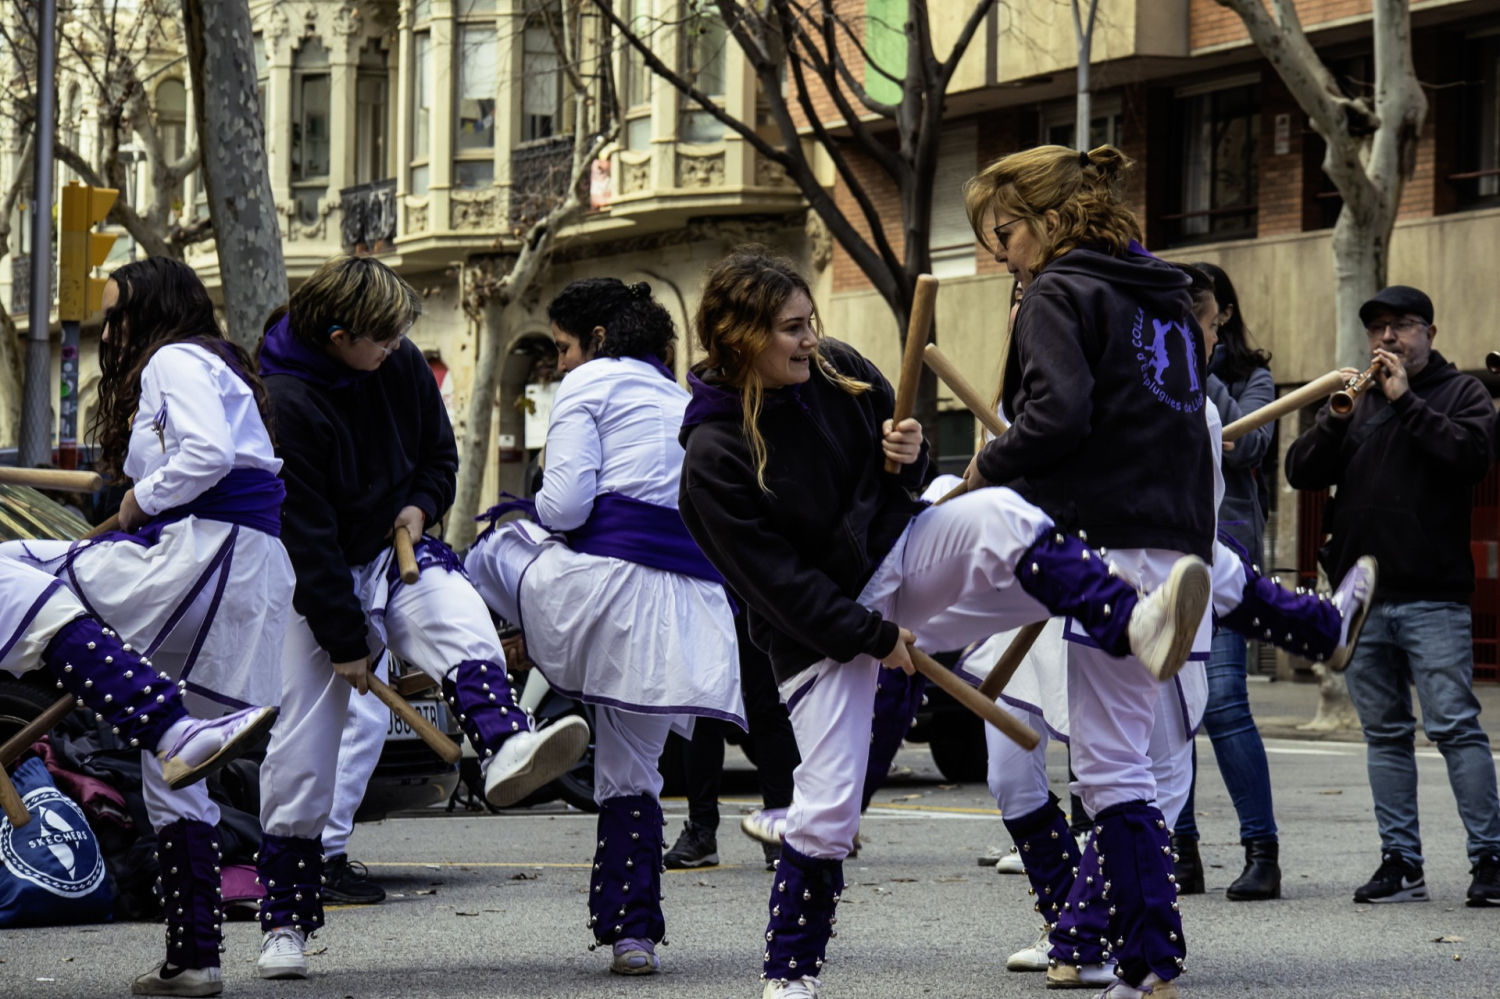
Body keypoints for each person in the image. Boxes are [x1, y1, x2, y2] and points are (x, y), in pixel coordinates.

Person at [677, 246, 1211, 999]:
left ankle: (1132, 621)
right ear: (739, 337)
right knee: (828, 808)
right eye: (790, 329)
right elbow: (778, 587)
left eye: (809, 322)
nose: (808, 339)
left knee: (996, 511)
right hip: (818, 634)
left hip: (898, 560)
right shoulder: (710, 456)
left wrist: (905, 446)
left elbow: (885, 468)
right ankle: (789, 976)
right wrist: (874, 639)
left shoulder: (835, 368)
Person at [252, 255, 589, 980]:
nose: (396, 350)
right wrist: (345, 641)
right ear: (339, 335)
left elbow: (440, 454)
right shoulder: (283, 400)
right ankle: (283, 921)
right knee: (303, 753)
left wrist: (421, 505)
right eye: (381, 339)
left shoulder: (395, 361)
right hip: (319, 573)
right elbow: (303, 533)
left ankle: (505, 744)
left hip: (394, 545)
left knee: (461, 616)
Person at [0, 256, 292, 997]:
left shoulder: (175, 359)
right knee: (172, 781)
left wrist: (141, 501)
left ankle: (166, 723)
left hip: (202, 552)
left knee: (15, 568)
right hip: (236, 565)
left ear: (153, 309)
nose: (111, 329)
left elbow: (207, 455)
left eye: (118, 312)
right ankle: (194, 959)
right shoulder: (213, 365)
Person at [464, 277, 744, 976]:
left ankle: (489, 689)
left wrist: (524, 516)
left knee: (490, 544)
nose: (557, 363)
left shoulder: (588, 388)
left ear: (594, 341)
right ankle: (633, 933)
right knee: (634, 771)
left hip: (607, 599)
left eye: (561, 347)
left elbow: (562, 507)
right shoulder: (683, 399)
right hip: (688, 612)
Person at [1286, 284, 1500, 907]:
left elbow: (1472, 457)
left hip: (1433, 596)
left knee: (1455, 728)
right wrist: (1336, 415)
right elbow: (1301, 471)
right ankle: (1401, 862)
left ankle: (1489, 859)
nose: (1387, 338)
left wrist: (1407, 401)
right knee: (1383, 735)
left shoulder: (1460, 392)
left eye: (1402, 325)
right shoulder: (1356, 400)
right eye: (1378, 326)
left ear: (1429, 333)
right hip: (1361, 603)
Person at [1170, 260, 1280, 899]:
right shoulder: (1149, 372)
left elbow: (1249, 446)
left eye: (1201, 316)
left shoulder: (1248, 375)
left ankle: (1261, 849)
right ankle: (1181, 851)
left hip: (1227, 546)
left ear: (1222, 315)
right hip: (1166, 548)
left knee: (1225, 701)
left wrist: (1199, 369)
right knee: (1170, 707)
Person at [663, 614, 798, 873]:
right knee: (702, 708)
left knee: (767, 708)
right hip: (710, 590)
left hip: (756, 591)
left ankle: (779, 830)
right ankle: (701, 831)